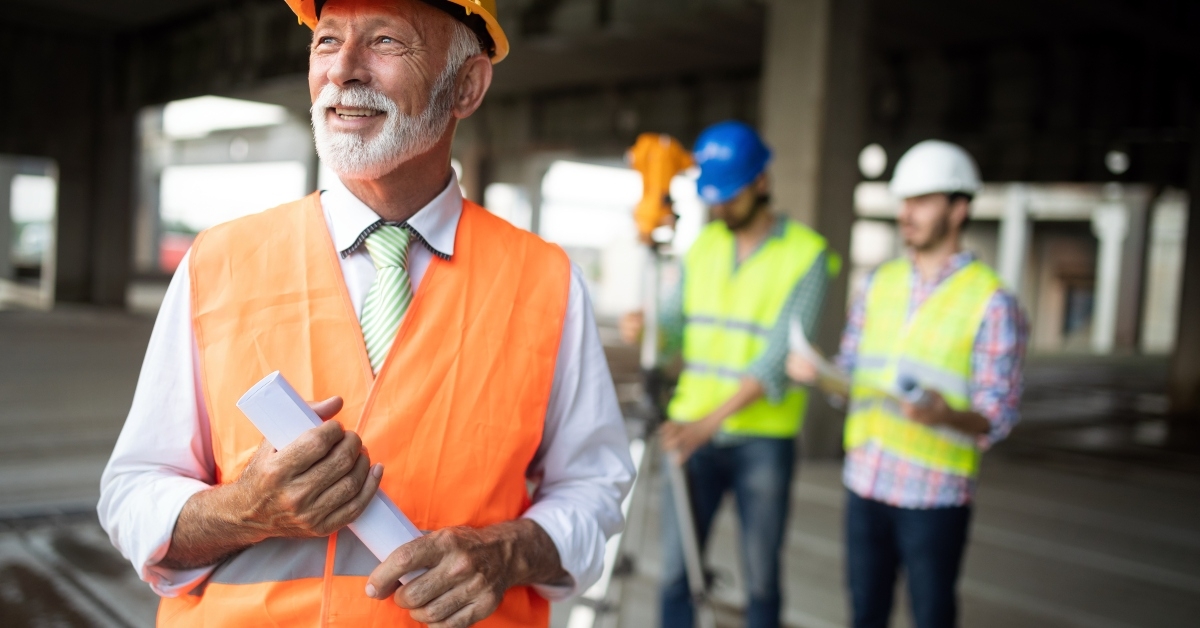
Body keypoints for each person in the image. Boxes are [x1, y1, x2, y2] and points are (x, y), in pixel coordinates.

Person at [97, 1, 635, 626]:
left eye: (385, 42)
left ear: (466, 85)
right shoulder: (218, 261)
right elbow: (133, 494)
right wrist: (246, 509)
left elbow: (594, 489)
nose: (344, 70)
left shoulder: (545, 281)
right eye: (326, 42)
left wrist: (508, 552)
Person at [788, 140, 1028, 628]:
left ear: (958, 209)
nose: (907, 213)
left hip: (934, 496)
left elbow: (997, 414)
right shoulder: (881, 282)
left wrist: (943, 414)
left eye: (922, 201)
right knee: (864, 615)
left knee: (931, 617)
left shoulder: (991, 301)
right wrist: (825, 376)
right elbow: (853, 374)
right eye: (904, 201)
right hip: (866, 481)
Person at [621, 120, 833, 628]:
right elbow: (673, 327)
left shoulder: (807, 254)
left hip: (759, 439)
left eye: (730, 197)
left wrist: (705, 425)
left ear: (762, 182)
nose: (720, 209)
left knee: (761, 581)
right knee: (675, 574)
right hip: (692, 433)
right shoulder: (706, 244)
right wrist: (648, 327)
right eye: (713, 199)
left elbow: (777, 358)